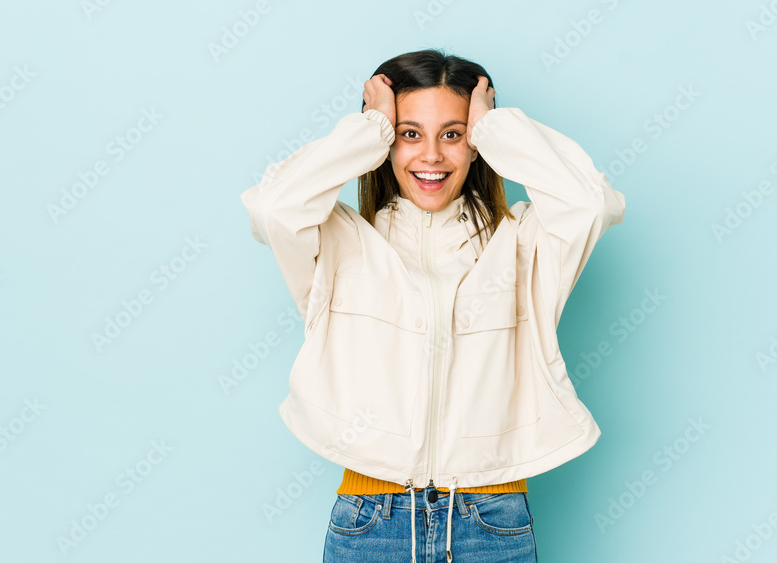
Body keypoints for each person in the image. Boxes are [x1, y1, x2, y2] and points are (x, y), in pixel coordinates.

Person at [240, 48, 626, 563]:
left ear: (475, 144)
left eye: (452, 134)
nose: (431, 156)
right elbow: (273, 208)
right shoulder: (337, 242)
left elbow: (591, 205)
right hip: (370, 522)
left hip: (492, 523)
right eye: (409, 133)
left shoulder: (523, 243)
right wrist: (370, 129)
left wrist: (496, 129)